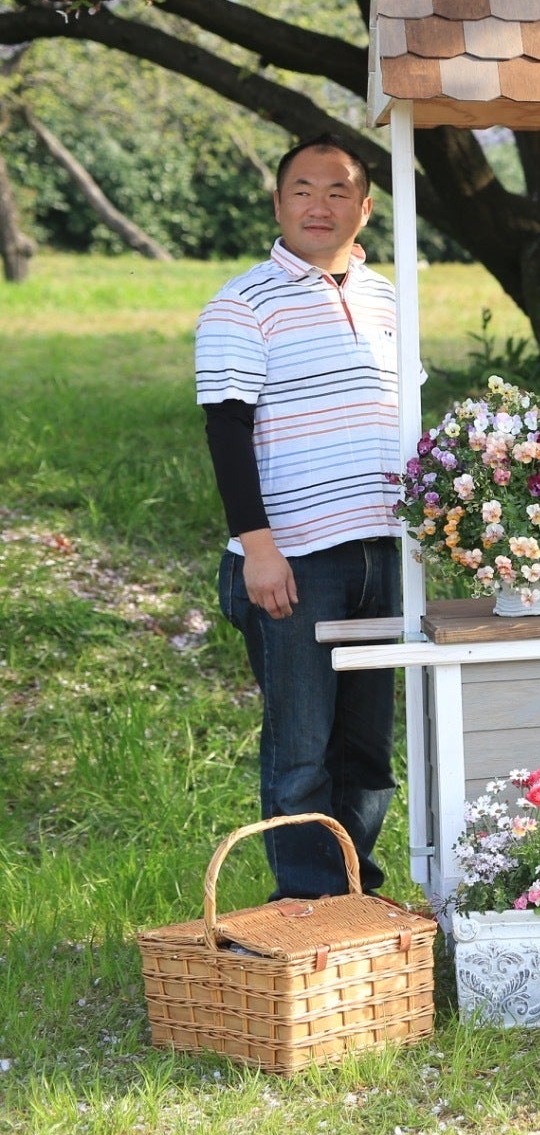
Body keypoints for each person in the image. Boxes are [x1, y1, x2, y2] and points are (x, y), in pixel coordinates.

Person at [197, 135, 403, 900]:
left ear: (365, 208)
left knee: (367, 751)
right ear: (278, 202)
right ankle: (308, 908)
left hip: (381, 551)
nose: (321, 205)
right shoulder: (241, 302)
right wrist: (259, 548)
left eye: (338, 190)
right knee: (302, 751)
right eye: (303, 190)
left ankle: (356, 896)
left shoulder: (389, 298)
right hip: (293, 560)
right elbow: (226, 428)